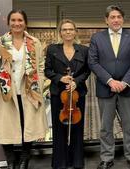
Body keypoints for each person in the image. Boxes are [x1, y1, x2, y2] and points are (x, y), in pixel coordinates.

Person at [0, 9, 48, 169]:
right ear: (8, 23)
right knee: (5, 126)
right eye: (13, 20)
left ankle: (25, 158)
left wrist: (38, 86)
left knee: (29, 126)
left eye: (20, 20)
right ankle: (11, 160)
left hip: (29, 91)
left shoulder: (34, 42)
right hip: (6, 92)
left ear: (25, 23)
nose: (17, 23)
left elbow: (40, 66)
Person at [88, 5, 130, 169]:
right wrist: (110, 81)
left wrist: (125, 81)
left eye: (119, 16)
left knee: (129, 125)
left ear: (123, 19)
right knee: (105, 127)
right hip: (106, 88)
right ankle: (106, 158)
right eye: (112, 17)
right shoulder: (97, 38)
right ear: (106, 20)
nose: (116, 20)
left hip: (128, 88)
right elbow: (93, 62)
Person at [44, 19, 90, 169]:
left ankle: (77, 161)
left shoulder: (83, 50)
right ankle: (60, 162)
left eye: (71, 29)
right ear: (60, 33)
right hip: (59, 94)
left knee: (77, 127)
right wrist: (60, 78)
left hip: (77, 95)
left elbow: (87, 71)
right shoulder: (52, 49)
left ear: (75, 32)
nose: (68, 32)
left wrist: (76, 81)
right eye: (64, 30)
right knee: (59, 128)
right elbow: (47, 70)